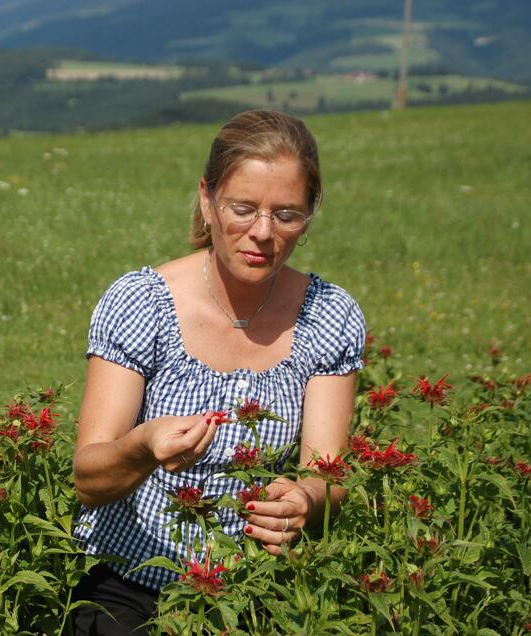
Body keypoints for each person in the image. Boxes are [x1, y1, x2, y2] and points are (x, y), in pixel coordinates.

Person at [71, 109, 366, 635]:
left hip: (256, 591)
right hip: (133, 586)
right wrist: (143, 445)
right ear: (207, 200)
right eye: (244, 208)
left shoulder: (327, 313)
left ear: (311, 213)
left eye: (287, 214)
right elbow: (89, 479)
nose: (263, 233)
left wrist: (303, 501)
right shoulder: (142, 303)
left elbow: (328, 473)